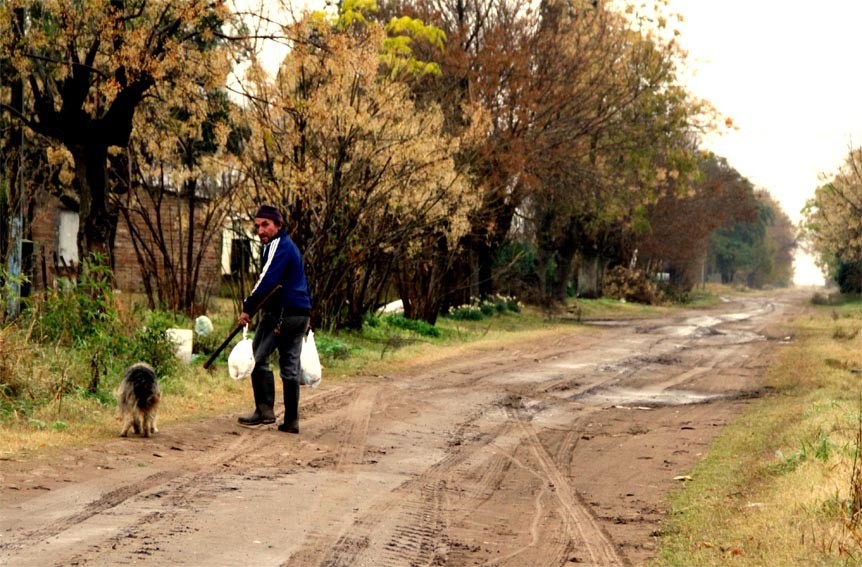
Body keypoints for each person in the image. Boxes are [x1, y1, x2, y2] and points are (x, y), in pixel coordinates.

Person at [237, 205, 311, 433]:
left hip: (281, 315)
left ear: (279, 226)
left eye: (265, 225)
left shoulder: (278, 245)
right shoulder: (290, 248)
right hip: (301, 314)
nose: (260, 230)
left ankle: (265, 411)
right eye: (257, 226)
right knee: (290, 367)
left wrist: (248, 307)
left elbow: (266, 280)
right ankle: (291, 421)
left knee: (257, 358)